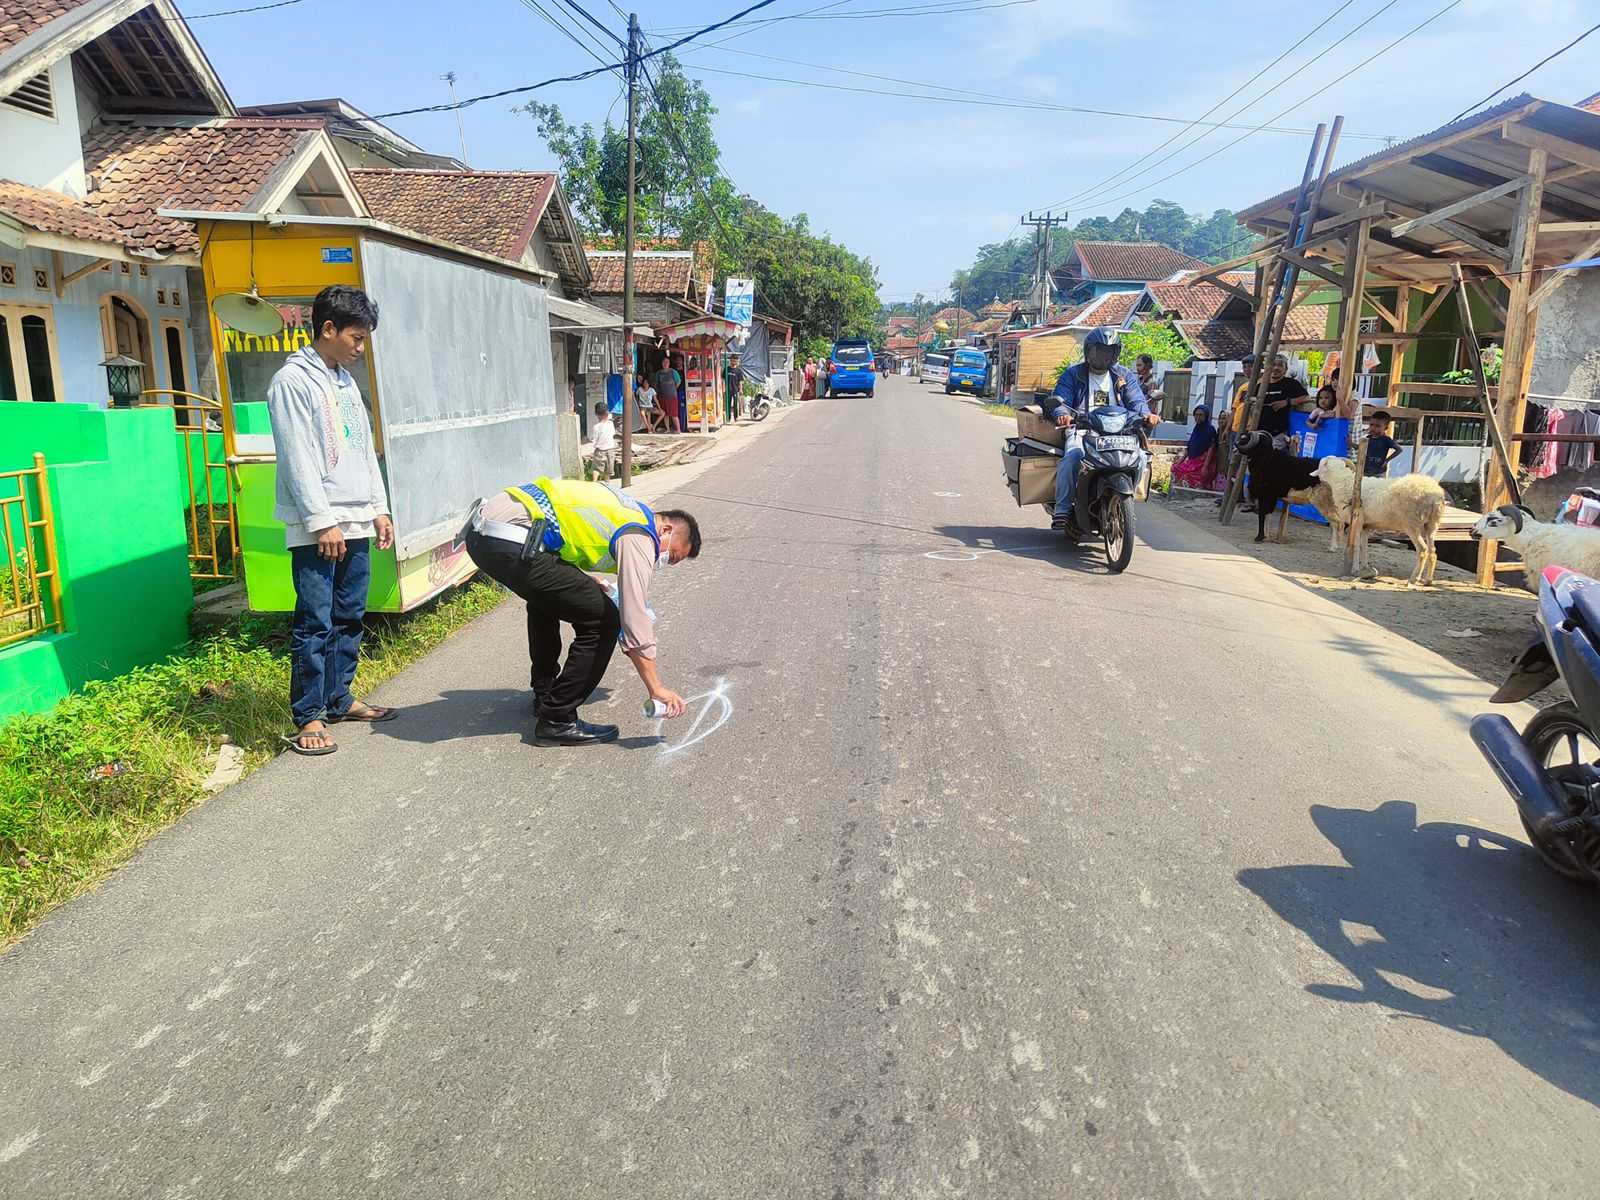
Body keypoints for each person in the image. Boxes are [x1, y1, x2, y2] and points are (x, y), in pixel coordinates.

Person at [462, 479, 702, 745]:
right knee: (605, 619)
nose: (663, 560)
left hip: (484, 535)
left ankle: (545, 693)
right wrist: (655, 687)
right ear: (666, 529)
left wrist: (588, 581)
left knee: (547, 600)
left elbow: (564, 537)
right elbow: (634, 618)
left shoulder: (628, 510)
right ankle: (557, 719)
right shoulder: (642, 535)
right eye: (673, 555)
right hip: (511, 539)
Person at [267, 285, 397, 756]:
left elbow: (364, 451)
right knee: (315, 621)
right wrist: (322, 522)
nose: (361, 348)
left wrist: (379, 510)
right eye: (357, 338)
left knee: (349, 616)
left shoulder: (344, 381)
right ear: (328, 329)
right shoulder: (292, 382)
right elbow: (296, 456)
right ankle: (309, 716)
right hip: (319, 525)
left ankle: (339, 698)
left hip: (357, 517)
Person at [1046, 327, 1152, 530]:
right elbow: (1062, 398)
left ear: (1116, 353)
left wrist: (1146, 414)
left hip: (1119, 431)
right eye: (1099, 351)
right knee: (1073, 457)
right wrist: (1062, 413)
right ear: (1089, 351)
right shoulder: (1073, 374)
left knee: (1140, 457)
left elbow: (1136, 401)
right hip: (1083, 429)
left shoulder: (1124, 375)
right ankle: (1063, 508)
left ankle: (1127, 497)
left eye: (1109, 351)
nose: (1104, 356)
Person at [1257, 353, 1308, 448]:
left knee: (1274, 459)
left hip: (1279, 433)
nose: (1276, 368)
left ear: (1286, 369)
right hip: (1260, 431)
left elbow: (1306, 397)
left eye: (1280, 365)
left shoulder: (1291, 384)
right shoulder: (1261, 385)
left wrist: (1287, 402)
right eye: (1273, 364)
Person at [1171, 405, 1220, 490]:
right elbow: (1189, 447)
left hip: (1202, 463)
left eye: (1201, 415)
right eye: (1196, 415)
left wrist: (1205, 466)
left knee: (1187, 477)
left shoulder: (1210, 429)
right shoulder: (1196, 429)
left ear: (1206, 416)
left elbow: (1211, 449)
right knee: (1175, 469)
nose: (1198, 417)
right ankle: (1171, 493)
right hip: (1192, 461)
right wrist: (1180, 461)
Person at [1364, 411, 1402, 477]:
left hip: (1379, 472)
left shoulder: (1386, 440)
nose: (1373, 428)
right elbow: (1360, 448)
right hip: (1365, 471)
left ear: (1385, 428)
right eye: (1371, 425)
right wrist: (1351, 443)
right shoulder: (1368, 438)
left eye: (1378, 426)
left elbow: (1399, 449)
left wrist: (1387, 460)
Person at [588, 401, 616, 480]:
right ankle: (607, 484)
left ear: (596, 414)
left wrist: (594, 444)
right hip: (610, 450)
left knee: (596, 469)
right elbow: (613, 434)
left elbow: (594, 439)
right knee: (608, 470)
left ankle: (594, 482)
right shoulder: (611, 424)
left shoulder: (596, 427)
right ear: (607, 413)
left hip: (599, 451)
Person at [652, 358, 680, 433]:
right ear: (662, 363)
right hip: (662, 396)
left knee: (674, 414)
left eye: (667, 362)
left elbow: (678, 382)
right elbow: (656, 384)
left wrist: (673, 389)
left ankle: (678, 429)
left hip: (672, 396)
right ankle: (667, 429)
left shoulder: (673, 372)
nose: (665, 364)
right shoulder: (659, 373)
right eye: (664, 362)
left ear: (669, 363)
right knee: (666, 414)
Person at [1134, 354, 1165, 423]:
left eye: (1139, 365)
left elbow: (1152, 403)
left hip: (1146, 419)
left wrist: (1148, 417)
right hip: (1136, 416)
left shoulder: (1152, 382)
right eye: (1137, 365)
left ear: (1147, 365)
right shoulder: (1139, 380)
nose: (1137, 368)